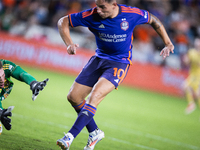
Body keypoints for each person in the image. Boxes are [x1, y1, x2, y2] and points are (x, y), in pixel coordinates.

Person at [56, 0, 174, 150]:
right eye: (97, 6)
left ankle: (69, 137)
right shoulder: (91, 15)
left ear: (114, 4)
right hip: (98, 59)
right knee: (73, 97)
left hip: (119, 63)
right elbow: (63, 21)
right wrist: (68, 43)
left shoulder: (131, 14)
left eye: (102, 7)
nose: (98, 10)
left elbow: (154, 20)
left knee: (95, 95)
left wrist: (168, 42)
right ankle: (95, 132)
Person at [0, 59, 49, 133]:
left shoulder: (5, 65)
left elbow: (20, 73)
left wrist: (33, 82)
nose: (2, 80)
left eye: (3, 75)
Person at [182, 37, 200, 114]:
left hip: (198, 75)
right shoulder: (191, 52)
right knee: (197, 94)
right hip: (192, 74)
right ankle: (191, 104)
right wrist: (185, 59)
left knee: (186, 86)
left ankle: (191, 104)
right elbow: (186, 62)